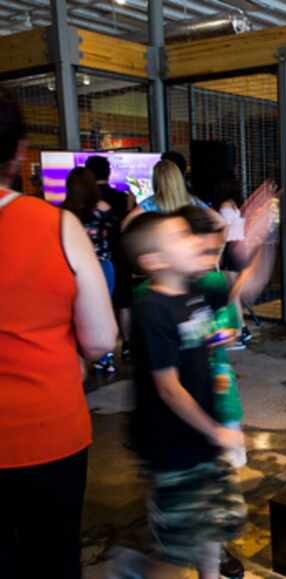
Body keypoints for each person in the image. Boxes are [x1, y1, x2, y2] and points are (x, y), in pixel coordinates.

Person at [0, 88, 117, 579]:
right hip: (46, 432)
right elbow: (99, 339)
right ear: (19, 152)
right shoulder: (56, 226)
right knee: (52, 557)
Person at [122, 211, 246, 579]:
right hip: (171, 447)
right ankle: (137, 571)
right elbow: (169, 388)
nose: (194, 241)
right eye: (181, 237)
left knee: (210, 524)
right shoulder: (151, 309)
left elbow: (243, 288)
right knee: (175, 548)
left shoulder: (197, 292)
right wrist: (216, 430)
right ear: (154, 262)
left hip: (202, 438)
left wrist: (257, 241)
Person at [62, 166, 120, 373]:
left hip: (70, 267)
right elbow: (115, 237)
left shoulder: (63, 212)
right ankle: (105, 359)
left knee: (72, 313)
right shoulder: (104, 209)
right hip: (102, 266)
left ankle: (76, 356)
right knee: (101, 310)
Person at [86, 155, 135, 361]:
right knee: (124, 301)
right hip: (120, 255)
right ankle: (127, 345)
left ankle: (102, 353)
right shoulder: (122, 197)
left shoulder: (84, 199)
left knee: (98, 304)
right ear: (108, 173)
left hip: (93, 259)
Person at [213, 174, 253, 350]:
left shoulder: (224, 207)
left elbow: (224, 234)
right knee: (235, 293)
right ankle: (243, 328)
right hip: (241, 249)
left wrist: (216, 257)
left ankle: (239, 333)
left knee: (232, 295)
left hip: (230, 250)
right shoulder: (236, 206)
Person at [122, 159, 208, 228]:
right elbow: (218, 221)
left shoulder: (150, 203)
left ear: (155, 180)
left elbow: (125, 225)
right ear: (178, 178)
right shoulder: (194, 201)